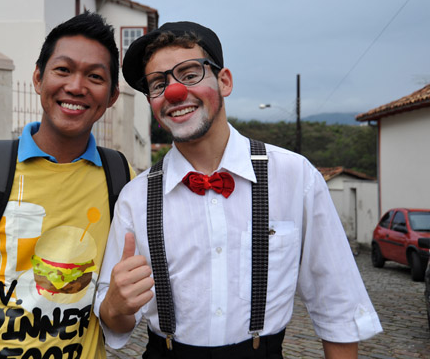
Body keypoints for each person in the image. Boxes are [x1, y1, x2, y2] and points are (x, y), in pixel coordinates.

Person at [95, 21, 382, 358]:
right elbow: (114, 321)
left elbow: (336, 303)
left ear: (224, 81)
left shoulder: (294, 176)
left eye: (189, 74)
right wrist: (115, 305)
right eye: (159, 84)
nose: (174, 92)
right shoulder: (135, 197)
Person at [0, 12, 131, 358]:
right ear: (37, 78)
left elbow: (118, 303)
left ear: (112, 96)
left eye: (94, 76)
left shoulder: (121, 177)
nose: (76, 86)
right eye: (63, 70)